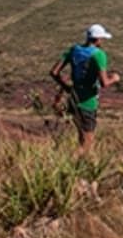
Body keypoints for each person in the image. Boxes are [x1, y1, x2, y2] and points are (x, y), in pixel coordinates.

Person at [50, 23, 119, 153]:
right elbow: (104, 82)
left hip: (73, 99)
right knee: (87, 143)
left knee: (81, 137)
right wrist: (114, 78)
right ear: (98, 39)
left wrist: (67, 88)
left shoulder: (74, 50)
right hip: (88, 102)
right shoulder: (99, 55)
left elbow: (54, 72)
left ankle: (79, 166)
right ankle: (71, 163)